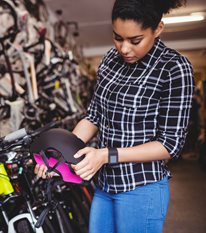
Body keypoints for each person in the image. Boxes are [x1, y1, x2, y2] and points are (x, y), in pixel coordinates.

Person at [34, 0, 195, 232]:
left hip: (142, 187)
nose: (125, 49)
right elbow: (93, 117)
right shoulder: (110, 60)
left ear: (157, 29)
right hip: (105, 186)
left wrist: (105, 156)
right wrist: (60, 158)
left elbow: (170, 145)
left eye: (135, 40)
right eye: (118, 38)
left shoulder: (174, 68)